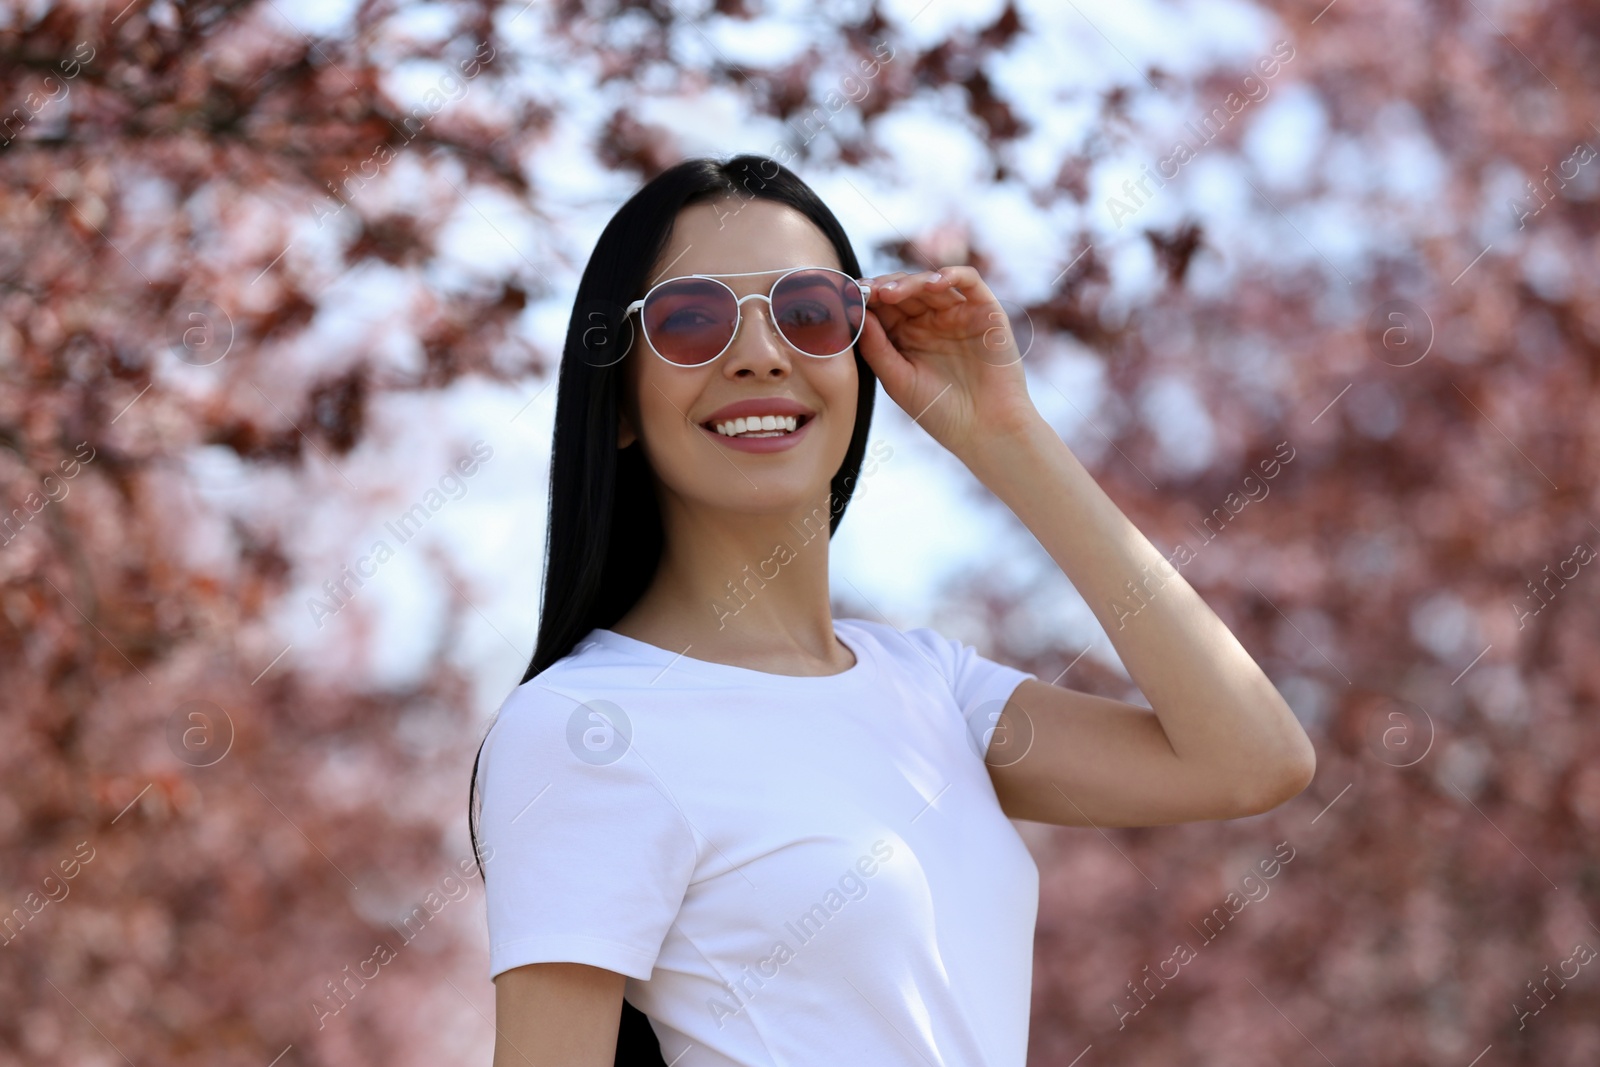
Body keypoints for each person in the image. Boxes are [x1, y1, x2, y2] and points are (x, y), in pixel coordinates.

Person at [466, 153, 1316, 1067]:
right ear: (619, 400)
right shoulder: (586, 726)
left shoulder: (930, 688)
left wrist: (1009, 439)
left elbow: (1252, 759)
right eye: (692, 321)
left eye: (807, 313)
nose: (759, 351)